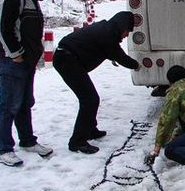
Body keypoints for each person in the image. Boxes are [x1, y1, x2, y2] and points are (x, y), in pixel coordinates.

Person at [0, 0, 53, 166]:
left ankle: (27, 141)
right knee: (9, 104)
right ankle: (4, 149)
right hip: (12, 62)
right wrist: (15, 53)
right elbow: (2, 27)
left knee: (25, 103)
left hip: (26, 62)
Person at [53, 11, 139, 154]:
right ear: (122, 26)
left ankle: (90, 130)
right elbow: (120, 56)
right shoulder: (108, 34)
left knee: (91, 98)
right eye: (127, 31)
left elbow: (110, 51)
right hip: (67, 60)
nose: (127, 35)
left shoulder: (107, 29)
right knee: (89, 99)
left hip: (69, 58)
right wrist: (137, 65)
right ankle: (77, 141)